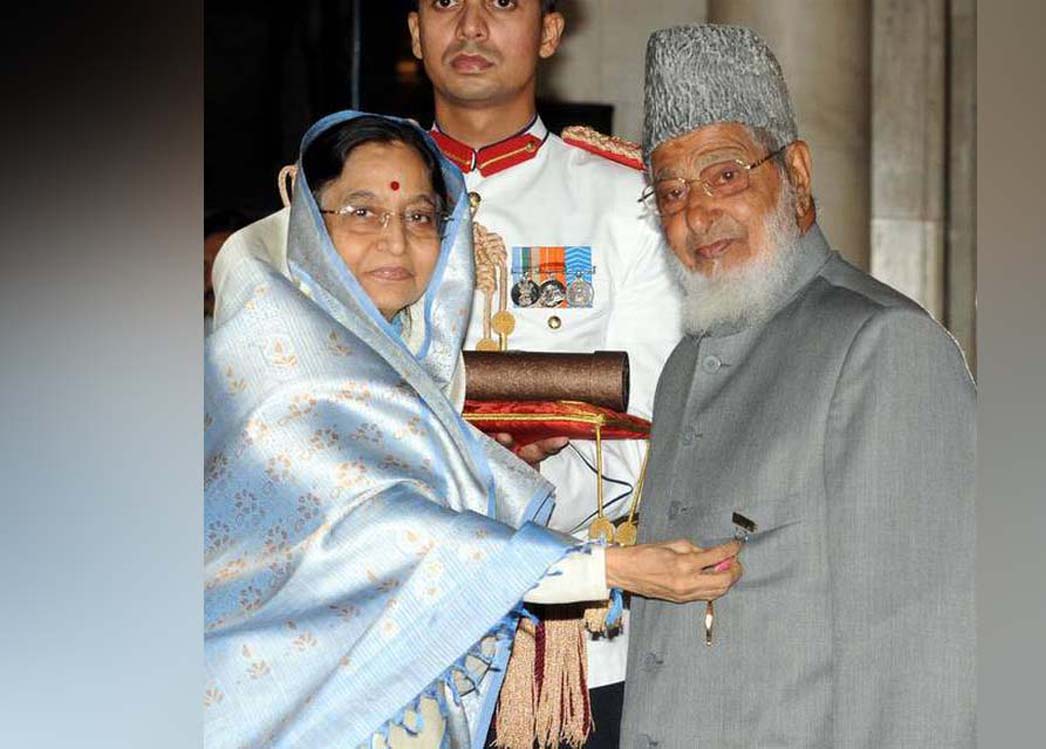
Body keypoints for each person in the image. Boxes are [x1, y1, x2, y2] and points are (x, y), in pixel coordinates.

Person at [204, 111, 741, 749]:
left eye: (420, 217)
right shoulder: (285, 362)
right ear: (309, 226)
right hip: (304, 707)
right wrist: (615, 570)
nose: (395, 242)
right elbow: (397, 540)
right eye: (362, 212)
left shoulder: (401, 356)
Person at [619, 25, 976, 748]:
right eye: (669, 191)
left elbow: (920, 665)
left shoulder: (880, 347)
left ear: (797, 175)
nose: (695, 214)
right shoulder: (687, 362)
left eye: (724, 175)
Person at [406, 3, 684, 745]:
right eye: (443, 3)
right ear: (412, 33)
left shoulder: (621, 201)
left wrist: (494, 497)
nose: (469, 26)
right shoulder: (357, 201)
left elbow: (645, 431)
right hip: (393, 635)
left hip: (566, 646)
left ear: (550, 33)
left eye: (501, 2)